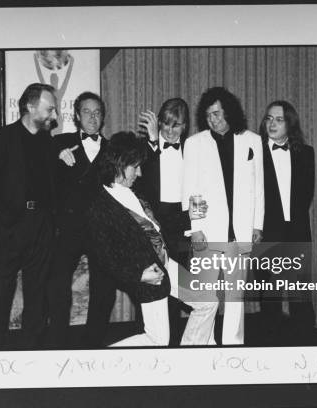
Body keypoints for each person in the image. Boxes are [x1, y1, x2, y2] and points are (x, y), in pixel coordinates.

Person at [86, 131, 218, 347]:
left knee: (207, 302)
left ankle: (190, 356)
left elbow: (159, 224)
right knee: (157, 341)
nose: (139, 173)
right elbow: (105, 258)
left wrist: (189, 216)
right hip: (149, 275)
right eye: (134, 166)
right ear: (119, 163)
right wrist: (138, 275)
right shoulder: (99, 205)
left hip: (166, 264)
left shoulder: (134, 191)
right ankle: (101, 361)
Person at [0, 83, 58, 349]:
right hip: (8, 227)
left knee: (37, 295)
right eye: (49, 108)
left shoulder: (48, 142)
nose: (54, 115)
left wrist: (51, 224)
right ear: (30, 107)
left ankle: (31, 351)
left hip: (41, 227)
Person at [182, 87, 264, 345]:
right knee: (205, 297)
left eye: (217, 113)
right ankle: (203, 346)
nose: (213, 120)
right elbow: (192, 190)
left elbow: (259, 186)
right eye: (208, 116)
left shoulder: (253, 140)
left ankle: (233, 346)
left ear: (229, 112)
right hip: (206, 232)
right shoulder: (194, 143)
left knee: (235, 295)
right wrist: (195, 228)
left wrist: (257, 224)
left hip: (239, 231)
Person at [45, 91, 111, 348]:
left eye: (97, 113)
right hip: (69, 228)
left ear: (103, 117)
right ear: (76, 116)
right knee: (57, 283)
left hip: (101, 230)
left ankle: (93, 343)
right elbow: (39, 163)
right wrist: (57, 156)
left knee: (104, 289)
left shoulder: (111, 148)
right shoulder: (59, 142)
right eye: (87, 112)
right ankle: (57, 340)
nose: (92, 117)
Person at [134, 98, 201, 344]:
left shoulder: (191, 150)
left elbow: (196, 187)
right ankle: (148, 342)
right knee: (151, 285)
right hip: (152, 224)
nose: (170, 131)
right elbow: (139, 184)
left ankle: (172, 346)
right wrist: (153, 143)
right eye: (166, 124)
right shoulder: (145, 147)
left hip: (180, 226)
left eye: (177, 126)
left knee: (178, 288)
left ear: (185, 127)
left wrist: (197, 217)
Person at [256, 100, 315, 340]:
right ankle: (271, 347)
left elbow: (306, 194)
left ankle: (306, 345)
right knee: (269, 295)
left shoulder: (306, 152)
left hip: (298, 233)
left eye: (279, 120)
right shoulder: (254, 152)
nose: (272, 124)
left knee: (300, 293)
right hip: (267, 234)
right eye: (269, 118)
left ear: (289, 124)